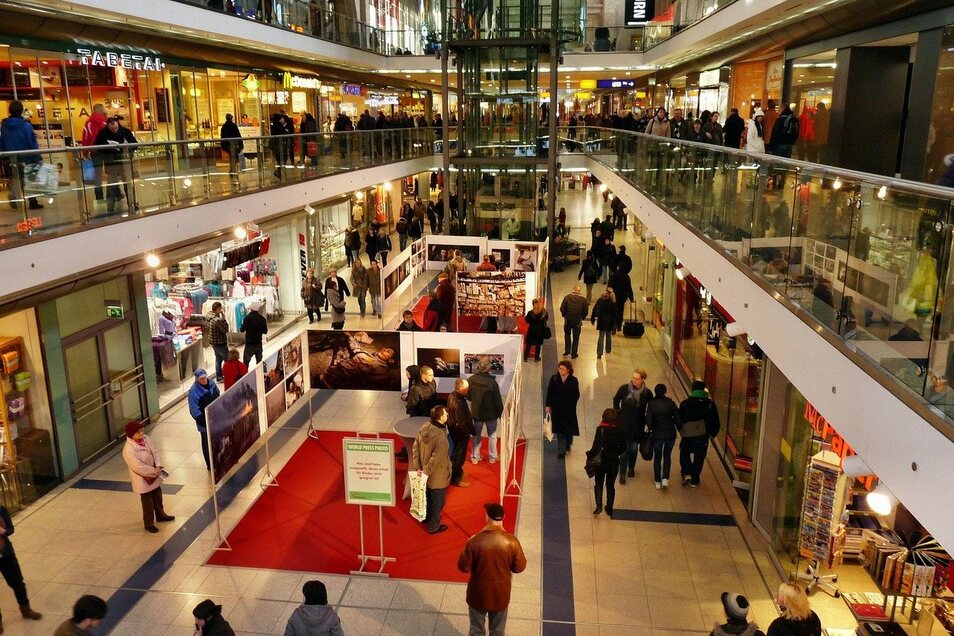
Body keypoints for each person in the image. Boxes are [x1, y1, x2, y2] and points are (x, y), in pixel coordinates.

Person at [457, 502, 527, 636]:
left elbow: (463, 567)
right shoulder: (512, 541)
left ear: (486, 517)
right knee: (498, 631)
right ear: (504, 517)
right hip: (500, 594)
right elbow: (519, 567)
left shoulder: (474, 541)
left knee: (476, 629)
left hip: (478, 594)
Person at [122, 420, 174, 533]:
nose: (141, 434)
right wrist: (154, 471)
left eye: (141, 431)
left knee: (157, 495)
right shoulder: (128, 449)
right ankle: (149, 523)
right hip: (143, 478)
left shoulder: (146, 438)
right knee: (147, 502)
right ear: (131, 435)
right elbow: (138, 467)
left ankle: (161, 515)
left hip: (155, 473)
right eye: (138, 432)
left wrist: (159, 465)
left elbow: (155, 452)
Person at [411, 405, 452, 534]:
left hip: (423, 472)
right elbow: (436, 460)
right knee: (438, 501)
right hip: (437, 475)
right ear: (440, 417)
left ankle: (427, 517)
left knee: (428, 497)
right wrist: (426, 471)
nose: (447, 415)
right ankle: (434, 526)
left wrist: (418, 467)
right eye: (446, 414)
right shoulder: (441, 438)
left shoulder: (424, 427)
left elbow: (415, 447)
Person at [0, 100, 43, 211]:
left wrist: (4, 155)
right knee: (30, 179)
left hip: (11, 157)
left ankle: (15, 199)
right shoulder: (26, 125)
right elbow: (32, 142)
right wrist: (37, 157)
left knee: (15, 179)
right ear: (21, 111)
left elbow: (2, 141)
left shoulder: (4, 126)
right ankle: (33, 202)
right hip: (27, 156)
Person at [678, 380, 721, 487]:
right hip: (703, 436)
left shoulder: (685, 403)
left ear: (693, 389)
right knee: (699, 457)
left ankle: (686, 473)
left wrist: (681, 430)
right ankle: (695, 479)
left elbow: (679, 420)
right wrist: (712, 433)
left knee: (684, 452)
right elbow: (715, 420)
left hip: (688, 435)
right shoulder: (710, 404)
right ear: (703, 390)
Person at [613, 369, 652, 484]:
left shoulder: (647, 393)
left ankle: (631, 467)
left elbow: (650, 407)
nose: (634, 380)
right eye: (633, 377)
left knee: (634, 449)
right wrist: (617, 412)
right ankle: (622, 473)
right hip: (624, 424)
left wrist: (647, 419)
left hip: (637, 425)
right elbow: (616, 399)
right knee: (624, 450)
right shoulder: (624, 388)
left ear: (643, 379)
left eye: (637, 378)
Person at [94, 116, 138, 213]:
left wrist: (127, 146)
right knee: (111, 184)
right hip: (111, 161)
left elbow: (135, 145)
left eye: (115, 127)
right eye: (111, 128)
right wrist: (109, 147)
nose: (114, 129)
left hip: (124, 161)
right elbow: (97, 146)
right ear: (108, 126)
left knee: (127, 183)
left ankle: (132, 203)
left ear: (118, 124)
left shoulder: (125, 132)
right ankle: (110, 206)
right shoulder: (103, 133)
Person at [588, 408, 626, 517]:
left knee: (599, 483)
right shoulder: (619, 430)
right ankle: (609, 508)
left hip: (601, 461)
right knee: (610, 485)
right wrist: (615, 453)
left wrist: (590, 455)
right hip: (613, 461)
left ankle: (598, 506)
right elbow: (624, 447)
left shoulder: (601, 430)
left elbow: (596, 447)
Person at [469, 358, 504, 464]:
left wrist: (475, 401)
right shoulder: (492, 382)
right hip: (490, 414)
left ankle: (475, 457)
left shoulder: (471, 379)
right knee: (492, 436)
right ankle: (492, 457)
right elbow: (497, 400)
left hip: (476, 414)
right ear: (488, 368)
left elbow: (468, 395)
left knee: (476, 435)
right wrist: (501, 414)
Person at [646, 383, 679, 489]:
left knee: (657, 457)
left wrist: (651, 428)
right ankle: (665, 478)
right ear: (665, 392)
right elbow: (678, 418)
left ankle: (657, 481)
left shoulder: (651, 404)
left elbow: (649, 421)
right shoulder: (671, 403)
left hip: (657, 434)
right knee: (667, 456)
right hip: (670, 434)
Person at [545, 360, 581, 458]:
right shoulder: (554, 379)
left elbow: (576, 395)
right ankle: (561, 451)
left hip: (569, 410)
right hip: (557, 410)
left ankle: (568, 444)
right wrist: (548, 405)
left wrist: (571, 405)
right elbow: (550, 392)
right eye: (559, 368)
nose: (560, 370)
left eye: (563, 369)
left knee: (568, 430)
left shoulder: (573, 381)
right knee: (560, 431)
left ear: (568, 370)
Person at [188, 369, 220, 471]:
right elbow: (195, 411)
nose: (204, 380)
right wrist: (206, 422)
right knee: (206, 444)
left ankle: (218, 461)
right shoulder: (193, 392)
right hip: (204, 424)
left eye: (205, 377)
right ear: (197, 379)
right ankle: (210, 465)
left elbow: (218, 395)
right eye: (201, 378)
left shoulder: (212, 383)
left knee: (218, 441)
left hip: (216, 419)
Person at [446, 378, 474, 487]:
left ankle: (458, 473)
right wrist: (467, 432)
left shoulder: (451, 396)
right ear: (461, 389)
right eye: (467, 388)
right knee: (459, 456)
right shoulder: (459, 403)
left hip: (454, 430)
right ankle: (456, 479)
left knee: (457, 454)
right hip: (460, 433)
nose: (468, 389)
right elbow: (461, 421)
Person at [81, 103, 108, 202]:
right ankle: (113, 194)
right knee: (112, 173)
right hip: (108, 150)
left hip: (95, 151)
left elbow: (86, 138)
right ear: (103, 110)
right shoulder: (106, 121)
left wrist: (85, 151)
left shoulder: (88, 123)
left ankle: (99, 198)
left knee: (97, 176)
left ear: (93, 110)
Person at [559, 284, 589, 358]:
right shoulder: (584, 300)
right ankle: (574, 353)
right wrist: (582, 318)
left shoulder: (567, 298)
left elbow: (562, 308)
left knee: (567, 335)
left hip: (568, 320)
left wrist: (564, 315)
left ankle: (567, 351)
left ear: (573, 290)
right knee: (576, 338)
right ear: (579, 291)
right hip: (577, 321)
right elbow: (586, 312)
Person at [590, 289, 618, 359]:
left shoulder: (600, 300)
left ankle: (599, 353)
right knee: (608, 335)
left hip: (601, 320)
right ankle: (608, 350)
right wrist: (616, 323)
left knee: (601, 337)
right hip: (610, 321)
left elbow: (594, 309)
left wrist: (592, 318)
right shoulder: (612, 301)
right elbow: (615, 313)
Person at [207, 301, 229, 382]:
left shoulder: (208, 317)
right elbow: (225, 329)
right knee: (227, 359)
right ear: (218, 309)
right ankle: (228, 375)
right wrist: (224, 319)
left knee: (218, 359)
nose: (221, 310)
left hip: (213, 342)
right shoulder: (217, 320)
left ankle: (219, 377)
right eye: (221, 308)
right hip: (220, 342)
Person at [240, 301, 268, 365]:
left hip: (249, 343)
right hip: (258, 343)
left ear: (251, 309)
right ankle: (259, 374)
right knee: (259, 362)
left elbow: (242, 330)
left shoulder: (247, 318)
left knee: (246, 362)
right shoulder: (262, 319)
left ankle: (246, 374)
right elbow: (265, 331)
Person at [608, 263, 634, 330]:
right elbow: (629, 288)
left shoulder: (613, 276)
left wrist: (608, 295)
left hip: (613, 296)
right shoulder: (626, 277)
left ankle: (613, 324)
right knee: (620, 311)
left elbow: (609, 287)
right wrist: (631, 298)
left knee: (613, 310)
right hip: (622, 297)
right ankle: (619, 325)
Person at [219, 113, 244, 184]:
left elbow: (222, 136)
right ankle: (234, 171)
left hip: (228, 145)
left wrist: (223, 145)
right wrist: (241, 144)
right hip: (234, 144)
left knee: (232, 157)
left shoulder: (224, 126)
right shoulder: (233, 126)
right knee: (234, 157)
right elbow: (238, 135)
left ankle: (232, 170)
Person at [523, 298, 548, 362]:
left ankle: (525, 357)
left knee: (529, 344)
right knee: (538, 344)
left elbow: (527, 320)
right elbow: (546, 319)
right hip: (540, 330)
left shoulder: (530, 313)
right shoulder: (544, 312)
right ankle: (536, 358)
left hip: (532, 330)